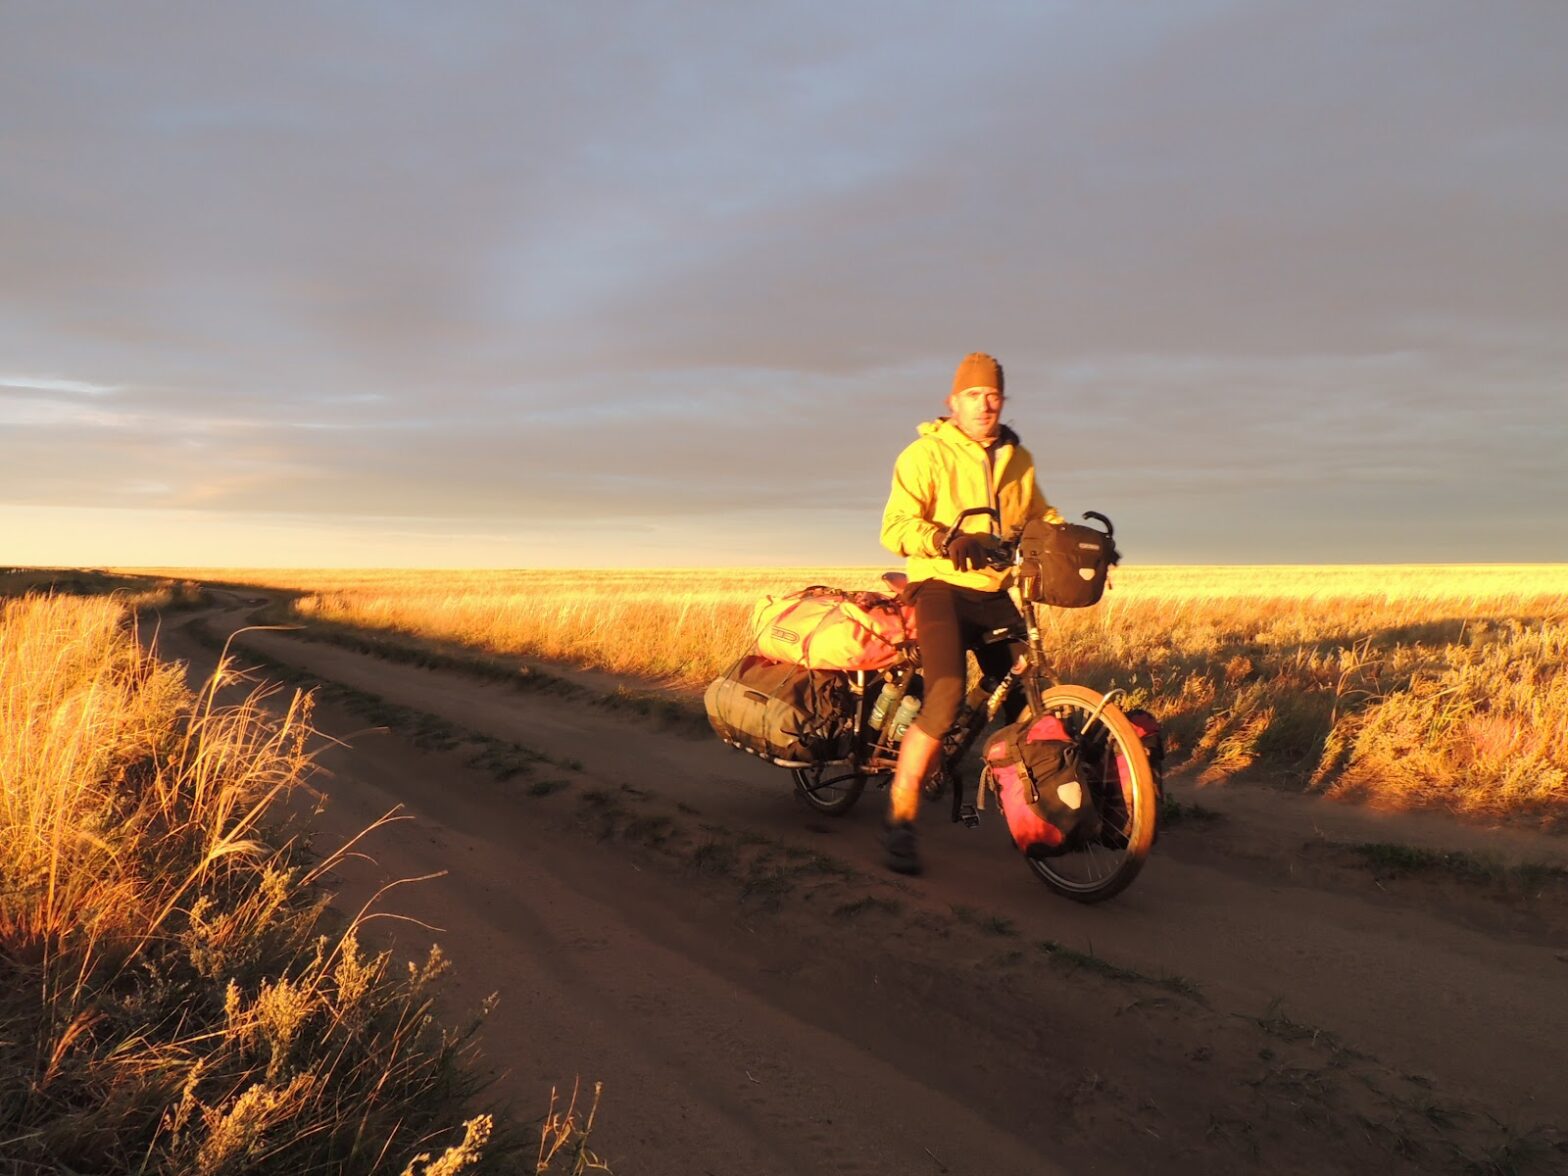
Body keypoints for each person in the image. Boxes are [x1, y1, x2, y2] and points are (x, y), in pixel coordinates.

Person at [878, 352, 1062, 875]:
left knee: (1026, 689)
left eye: (993, 395)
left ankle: (1030, 810)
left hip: (993, 589)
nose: (985, 404)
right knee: (943, 696)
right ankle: (899, 817)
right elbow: (895, 527)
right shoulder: (924, 455)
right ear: (952, 401)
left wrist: (1075, 541)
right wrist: (946, 537)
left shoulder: (1017, 459)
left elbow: (1041, 517)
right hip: (939, 584)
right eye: (974, 395)